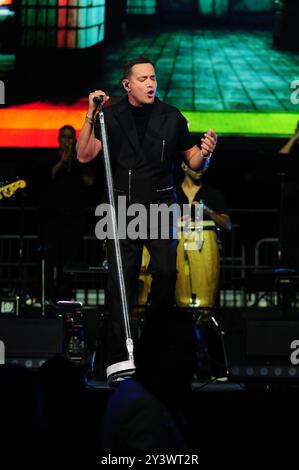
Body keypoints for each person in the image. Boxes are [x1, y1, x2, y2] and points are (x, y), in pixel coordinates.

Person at [76, 57, 217, 384]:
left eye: (153, 77)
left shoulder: (171, 116)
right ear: (128, 85)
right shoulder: (110, 115)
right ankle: (120, 358)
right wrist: (89, 115)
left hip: (160, 207)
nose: (151, 83)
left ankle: (156, 347)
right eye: (143, 78)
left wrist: (206, 152)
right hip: (121, 208)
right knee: (120, 284)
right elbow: (84, 155)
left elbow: (193, 162)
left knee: (166, 273)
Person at [37, 125, 94, 303]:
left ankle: (64, 298)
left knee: (69, 263)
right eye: (64, 137)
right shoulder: (50, 158)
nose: (67, 141)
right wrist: (62, 162)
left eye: (71, 138)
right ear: (59, 139)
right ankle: (45, 299)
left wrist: (76, 162)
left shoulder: (81, 160)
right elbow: (44, 181)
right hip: (52, 220)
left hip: (73, 220)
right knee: (49, 260)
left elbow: (90, 182)